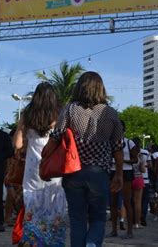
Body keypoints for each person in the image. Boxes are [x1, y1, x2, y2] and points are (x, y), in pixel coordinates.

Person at [53, 71, 124, 247]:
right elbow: (117, 148)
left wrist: (44, 160)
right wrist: (119, 174)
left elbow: (56, 136)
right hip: (99, 173)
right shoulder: (111, 113)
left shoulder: (70, 109)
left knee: (77, 219)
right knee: (98, 218)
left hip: (73, 172)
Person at [13, 82, 67, 246]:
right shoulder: (60, 114)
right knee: (54, 208)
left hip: (33, 171)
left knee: (33, 210)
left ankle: (34, 242)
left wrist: (21, 127)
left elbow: (17, 145)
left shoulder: (28, 115)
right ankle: (54, 242)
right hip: (54, 171)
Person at [106, 121, 138, 239]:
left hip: (126, 172)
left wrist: (123, 161)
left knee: (127, 201)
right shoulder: (109, 142)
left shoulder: (129, 143)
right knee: (113, 203)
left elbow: (136, 159)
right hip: (113, 171)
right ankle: (114, 230)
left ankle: (129, 231)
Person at [131, 137, 146, 230]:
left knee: (127, 201)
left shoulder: (128, 155)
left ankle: (123, 220)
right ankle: (137, 223)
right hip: (138, 178)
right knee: (138, 202)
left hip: (129, 178)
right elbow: (143, 170)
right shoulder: (140, 156)